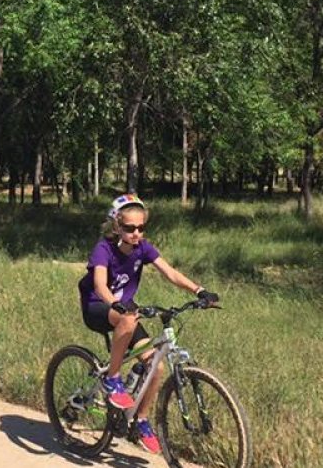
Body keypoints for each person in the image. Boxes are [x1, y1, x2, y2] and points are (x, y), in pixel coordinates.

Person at [76, 194, 219, 455]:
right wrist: (114, 303)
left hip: (124, 312)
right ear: (116, 226)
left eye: (141, 227)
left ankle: (141, 421)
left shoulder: (143, 248)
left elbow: (171, 273)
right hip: (98, 307)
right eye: (130, 228)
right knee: (129, 318)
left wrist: (200, 291)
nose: (136, 233)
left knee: (157, 366)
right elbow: (99, 284)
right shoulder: (103, 249)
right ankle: (112, 379)